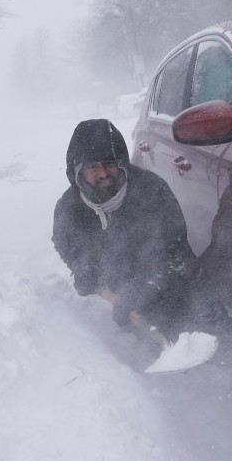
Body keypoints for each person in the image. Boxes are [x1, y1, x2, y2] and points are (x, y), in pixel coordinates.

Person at [51, 118, 200, 341]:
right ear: (78, 172)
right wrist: (83, 267)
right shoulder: (69, 207)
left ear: (122, 163)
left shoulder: (152, 191)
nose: (103, 173)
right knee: (126, 330)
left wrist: (142, 289)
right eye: (92, 166)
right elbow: (65, 243)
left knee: (189, 315)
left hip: (164, 281)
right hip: (115, 283)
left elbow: (174, 250)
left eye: (109, 163)